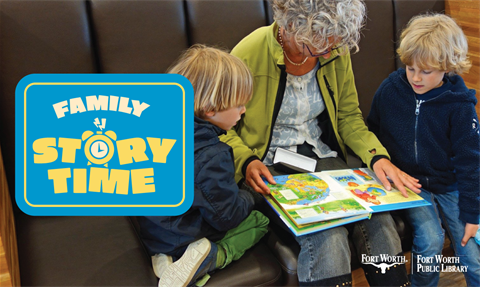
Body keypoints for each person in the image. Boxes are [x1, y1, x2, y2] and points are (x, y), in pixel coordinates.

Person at [222, 0, 420, 286]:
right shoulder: (248, 53)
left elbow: (349, 116)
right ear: (291, 26)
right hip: (266, 162)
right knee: (327, 231)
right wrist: (246, 160)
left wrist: (377, 157)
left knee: (378, 218)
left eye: (333, 44)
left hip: (320, 155)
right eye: (317, 46)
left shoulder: (333, 48)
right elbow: (220, 127)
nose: (328, 52)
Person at [137, 44, 270, 287]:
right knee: (260, 222)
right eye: (238, 105)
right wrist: (251, 195)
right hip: (181, 236)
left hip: (151, 231)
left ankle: (164, 259)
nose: (244, 110)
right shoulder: (212, 155)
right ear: (210, 109)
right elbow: (226, 217)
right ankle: (210, 256)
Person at [367, 13, 480, 287]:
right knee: (430, 241)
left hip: (450, 184)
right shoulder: (391, 89)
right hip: (412, 184)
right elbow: (371, 132)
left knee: (472, 253)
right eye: (410, 68)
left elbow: (471, 163)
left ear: (447, 67)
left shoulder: (460, 105)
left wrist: (472, 215)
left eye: (426, 71)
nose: (416, 78)